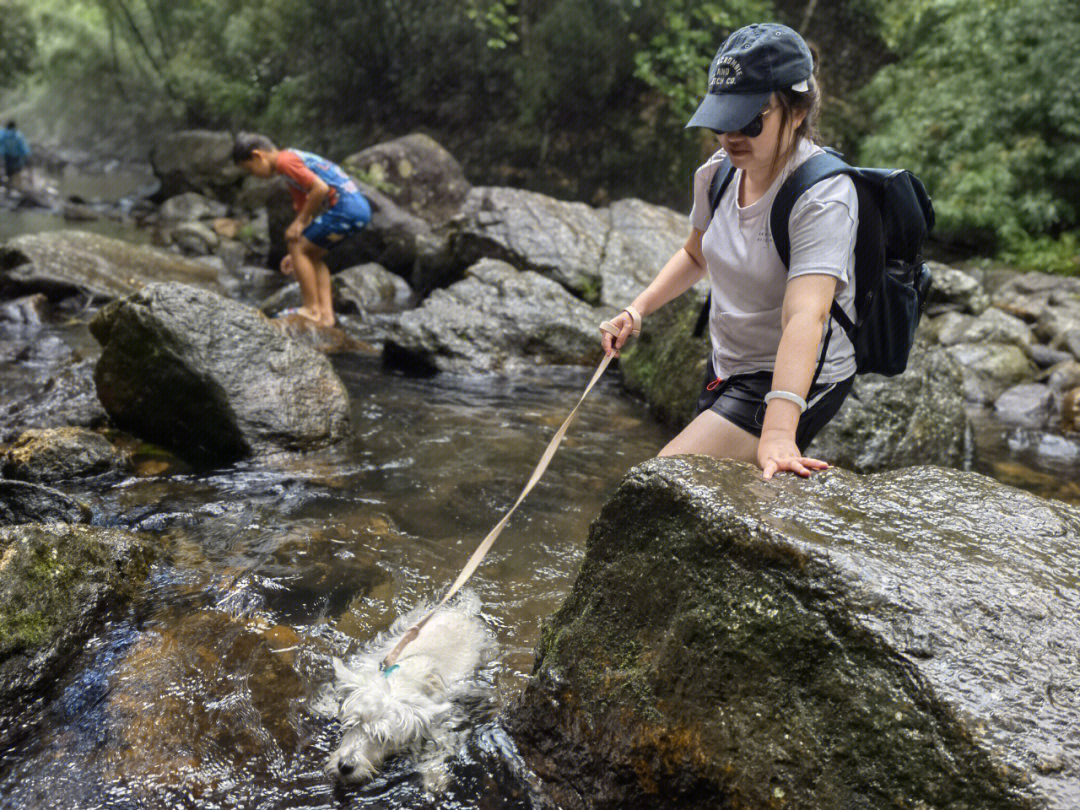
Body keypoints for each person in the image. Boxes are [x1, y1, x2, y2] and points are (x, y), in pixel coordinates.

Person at [601, 23, 857, 481]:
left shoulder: (823, 196)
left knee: (666, 480)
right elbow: (696, 256)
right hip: (728, 362)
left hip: (798, 370)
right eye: (723, 119)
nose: (731, 135)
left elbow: (806, 316)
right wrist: (637, 309)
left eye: (750, 119)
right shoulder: (715, 175)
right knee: (725, 493)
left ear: (796, 111)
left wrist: (779, 431)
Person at [233, 133, 372, 327]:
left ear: (258, 156)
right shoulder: (290, 163)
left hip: (346, 208)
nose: (253, 175)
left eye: (250, 169)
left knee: (296, 244)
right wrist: (296, 255)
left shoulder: (285, 161)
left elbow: (320, 189)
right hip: (358, 210)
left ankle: (310, 309)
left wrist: (297, 231)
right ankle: (326, 316)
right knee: (310, 254)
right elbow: (304, 208)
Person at [0, 121, 31, 190]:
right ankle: (17, 189)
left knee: (9, 174)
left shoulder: (3, 134)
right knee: (17, 173)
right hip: (16, 158)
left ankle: (9, 190)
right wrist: (26, 156)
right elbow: (24, 149)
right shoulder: (18, 135)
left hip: (7, 157)